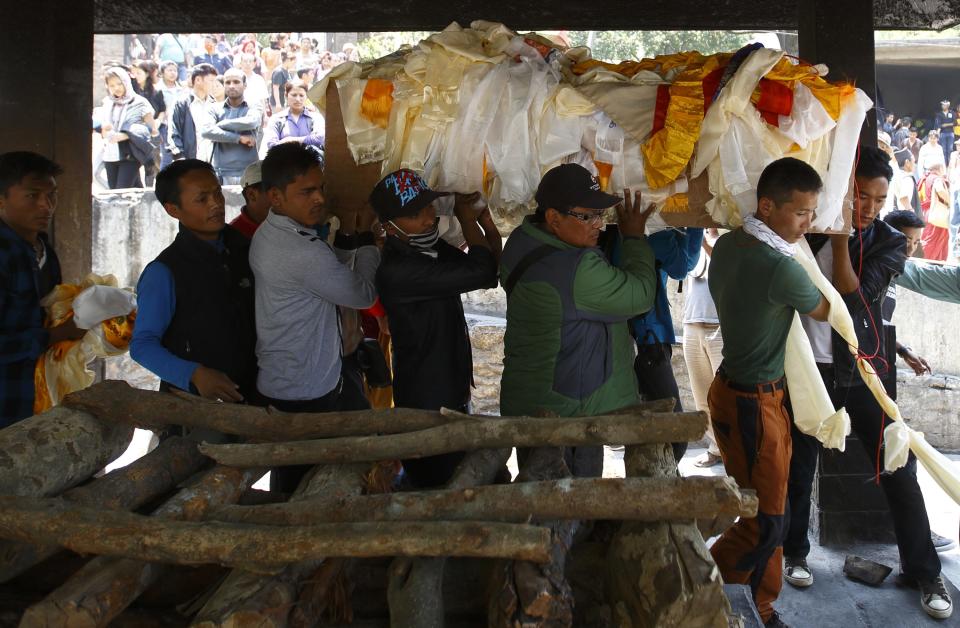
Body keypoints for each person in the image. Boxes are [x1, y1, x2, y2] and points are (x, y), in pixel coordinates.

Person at [784, 147, 951, 621]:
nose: (869, 208)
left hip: (863, 371)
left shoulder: (889, 243)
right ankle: (795, 552)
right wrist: (827, 226)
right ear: (841, 187)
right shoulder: (804, 226)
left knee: (898, 467)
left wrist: (841, 237)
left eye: (878, 200)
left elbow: (852, 297)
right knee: (801, 464)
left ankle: (924, 571)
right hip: (808, 368)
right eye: (860, 196)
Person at [708, 157, 831, 627]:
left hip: (732, 392)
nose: (810, 223)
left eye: (813, 213)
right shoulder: (782, 268)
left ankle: (754, 601)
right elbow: (823, 309)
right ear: (766, 205)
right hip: (755, 404)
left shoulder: (729, 245)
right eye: (801, 213)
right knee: (766, 520)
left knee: (762, 508)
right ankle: (714, 587)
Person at [499, 163, 657, 478]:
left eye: (601, 215)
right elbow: (641, 295)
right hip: (568, 415)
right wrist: (635, 238)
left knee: (540, 503)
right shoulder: (577, 270)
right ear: (553, 218)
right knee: (572, 511)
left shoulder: (522, 239)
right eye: (588, 216)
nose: (600, 224)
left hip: (537, 403)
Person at [250, 143, 379, 491]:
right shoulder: (300, 251)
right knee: (303, 481)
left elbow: (326, 269)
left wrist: (347, 240)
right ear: (275, 196)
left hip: (290, 376)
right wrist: (368, 240)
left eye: (320, 188)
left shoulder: (272, 232)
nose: (319, 199)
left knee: (297, 474)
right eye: (306, 192)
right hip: (307, 388)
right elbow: (363, 293)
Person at [371, 172, 500, 487]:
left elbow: (488, 269)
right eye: (415, 214)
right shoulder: (399, 270)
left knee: (456, 472)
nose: (429, 218)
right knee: (436, 482)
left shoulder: (427, 249)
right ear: (388, 227)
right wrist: (467, 220)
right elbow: (482, 272)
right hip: (426, 397)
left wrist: (486, 222)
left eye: (428, 207)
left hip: (449, 385)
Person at [130, 159, 258, 407]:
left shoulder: (248, 250)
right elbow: (142, 345)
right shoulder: (164, 271)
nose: (216, 203)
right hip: (195, 406)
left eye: (217, 193)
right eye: (202, 199)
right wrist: (194, 374)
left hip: (256, 394)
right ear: (173, 210)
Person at [0, 152, 86, 426]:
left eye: (51, 195)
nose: (46, 206)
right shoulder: (4, 254)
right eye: (32, 196)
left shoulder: (43, 250)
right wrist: (57, 334)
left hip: (32, 394)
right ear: (1, 199)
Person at [630, 224, 704, 462]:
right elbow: (684, 267)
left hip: (639, 335)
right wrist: (696, 224)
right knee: (675, 432)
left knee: (649, 425)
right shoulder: (656, 233)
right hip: (648, 337)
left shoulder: (623, 234)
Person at [682, 228, 724, 468]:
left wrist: (710, 242)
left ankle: (733, 451)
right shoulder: (695, 232)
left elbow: (727, 267)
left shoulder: (732, 232)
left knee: (725, 398)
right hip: (692, 321)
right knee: (702, 399)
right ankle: (717, 447)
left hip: (721, 325)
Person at [882, 210, 932, 381]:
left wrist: (903, 351)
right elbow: (868, 320)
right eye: (906, 240)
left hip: (880, 359)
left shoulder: (894, 273)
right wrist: (903, 351)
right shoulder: (875, 270)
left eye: (916, 242)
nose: (911, 250)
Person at [99, 66, 157, 189]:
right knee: (121, 191)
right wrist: (104, 129)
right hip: (110, 153)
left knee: (120, 193)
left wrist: (125, 135)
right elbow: (103, 131)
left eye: (119, 84)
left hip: (131, 154)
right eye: (112, 85)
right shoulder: (107, 103)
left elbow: (152, 129)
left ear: (126, 82)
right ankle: (143, 208)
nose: (116, 88)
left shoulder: (140, 102)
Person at [202, 68, 261, 185]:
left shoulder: (254, 106)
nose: (231, 86)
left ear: (245, 85)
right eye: (227, 83)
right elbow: (206, 131)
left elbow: (251, 122)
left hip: (249, 172)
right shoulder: (213, 109)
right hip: (221, 172)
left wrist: (222, 124)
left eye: (236, 82)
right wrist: (238, 138)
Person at [261, 79, 324, 158]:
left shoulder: (315, 117)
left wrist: (289, 140)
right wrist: (306, 140)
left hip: (310, 165)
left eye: (301, 95)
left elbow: (319, 139)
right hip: (285, 164)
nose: (298, 99)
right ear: (286, 95)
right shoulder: (276, 119)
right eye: (294, 95)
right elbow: (272, 144)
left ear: (306, 96)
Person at [168, 63, 217, 163]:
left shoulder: (215, 104)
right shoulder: (182, 104)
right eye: (211, 81)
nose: (214, 84)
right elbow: (173, 132)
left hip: (212, 162)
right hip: (188, 161)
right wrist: (179, 157)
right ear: (198, 80)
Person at [229, 161, 271, 239]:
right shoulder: (234, 236)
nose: (281, 198)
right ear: (251, 194)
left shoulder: (288, 223)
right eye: (273, 193)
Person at [918, 163, 950, 261]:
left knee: (929, 239)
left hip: (926, 212)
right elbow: (940, 190)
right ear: (939, 169)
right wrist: (951, 203)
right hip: (937, 213)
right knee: (935, 241)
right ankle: (928, 264)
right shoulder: (936, 179)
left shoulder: (924, 179)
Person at [893, 149, 920, 214]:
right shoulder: (907, 178)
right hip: (905, 216)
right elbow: (904, 197)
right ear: (907, 162)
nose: (915, 165)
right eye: (913, 161)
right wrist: (911, 211)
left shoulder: (898, 175)